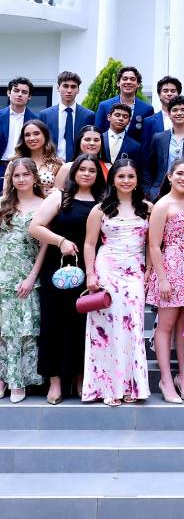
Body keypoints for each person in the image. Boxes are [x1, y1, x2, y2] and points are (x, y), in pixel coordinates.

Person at [29, 153, 105, 403]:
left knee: (81, 325)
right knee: (54, 323)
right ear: (73, 173)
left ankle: (80, 377)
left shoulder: (103, 200)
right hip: (58, 268)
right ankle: (55, 381)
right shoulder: (60, 197)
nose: (86, 174)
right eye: (82, 169)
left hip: (90, 269)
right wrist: (60, 241)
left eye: (92, 170)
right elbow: (36, 226)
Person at [81, 159, 152, 405]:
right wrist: (91, 274)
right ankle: (108, 387)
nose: (125, 181)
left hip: (134, 272)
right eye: (121, 176)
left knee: (133, 327)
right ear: (112, 179)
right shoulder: (100, 209)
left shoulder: (147, 208)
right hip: (107, 270)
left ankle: (132, 386)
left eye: (130, 176)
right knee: (107, 329)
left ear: (136, 180)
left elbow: (152, 245)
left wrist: (150, 270)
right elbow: (90, 244)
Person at [146, 159, 184, 404]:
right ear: (169, 176)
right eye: (179, 173)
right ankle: (166, 380)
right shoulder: (162, 205)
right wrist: (162, 279)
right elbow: (154, 246)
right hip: (170, 267)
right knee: (165, 326)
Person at [0, 158, 46, 402]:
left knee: (21, 329)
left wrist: (31, 277)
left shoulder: (43, 206)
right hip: (2, 272)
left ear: (34, 177)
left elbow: (44, 248)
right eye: (16, 175)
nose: (21, 179)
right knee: (2, 329)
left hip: (26, 272)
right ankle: (2, 377)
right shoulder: (3, 204)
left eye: (25, 175)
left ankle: (18, 380)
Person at [144, 95, 184, 200]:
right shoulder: (159, 138)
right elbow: (148, 168)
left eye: (183, 110)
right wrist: (148, 192)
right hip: (160, 193)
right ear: (169, 114)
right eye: (175, 110)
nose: (179, 113)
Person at [38, 71, 94, 163]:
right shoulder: (45, 115)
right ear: (58, 88)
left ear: (78, 90)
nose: (69, 90)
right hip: (51, 164)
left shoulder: (88, 115)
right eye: (65, 86)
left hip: (80, 164)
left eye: (73, 87)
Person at [140, 76, 184, 163]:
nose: (169, 93)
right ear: (159, 95)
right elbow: (145, 153)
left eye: (173, 91)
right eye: (165, 91)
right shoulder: (149, 122)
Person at [94, 66, 154, 141]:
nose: (128, 82)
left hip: (136, 152)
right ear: (118, 83)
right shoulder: (105, 106)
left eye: (132, 79)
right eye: (125, 79)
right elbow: (97, 133)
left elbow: (148, 137)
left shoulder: (147, 109)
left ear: (138, 84)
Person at [0, 76, 37, 179]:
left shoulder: (36, 120)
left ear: (29, 97)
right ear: (8, 93)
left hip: (25, 167)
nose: (20, 94)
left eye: (24, 92)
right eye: (16, 91)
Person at [14, 120, 62, 196]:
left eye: (36, 134)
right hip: (20, 205)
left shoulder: (58, 164)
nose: (32, 138)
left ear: (45, 136)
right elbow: (6, 193)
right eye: (27, 135)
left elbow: (63, 194)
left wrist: (59, 192)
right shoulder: (14, 163)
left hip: (48, 205)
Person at [101, 103, 143, 170]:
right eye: (117, 115)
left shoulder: (135, 146)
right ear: (109, 117)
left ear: (129, 121)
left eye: (125, 116)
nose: (121, 118)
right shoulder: (99, 139)